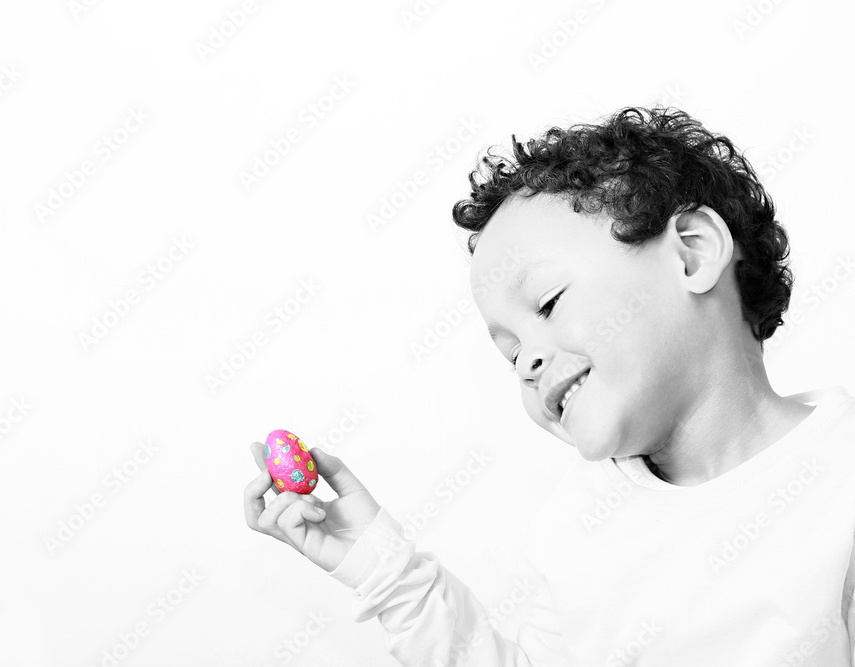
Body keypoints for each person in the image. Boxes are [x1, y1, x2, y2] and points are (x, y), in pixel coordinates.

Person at [242, 107, 855, 666]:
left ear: (692, 256)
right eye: (510, 355)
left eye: (548, 302)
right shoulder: (580, 524)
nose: (528, 363)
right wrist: (386, 572)